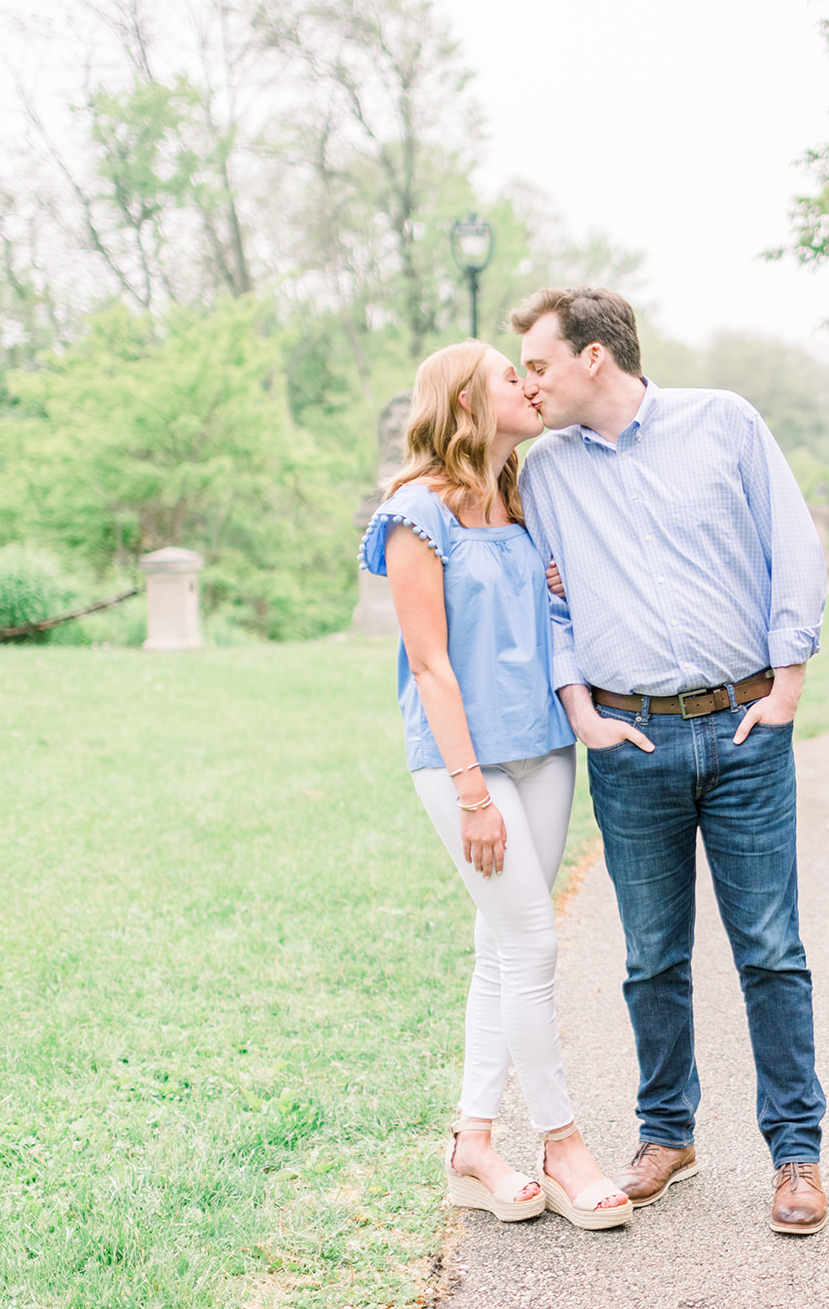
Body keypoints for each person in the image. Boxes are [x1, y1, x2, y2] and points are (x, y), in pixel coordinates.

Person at [513, 286, 829, 1235]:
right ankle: (666, 1133)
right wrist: (581, 709)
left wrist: (787, 685)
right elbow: (553, 608)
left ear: (595, 357)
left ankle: (799, 1156)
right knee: (652, 956)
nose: (531, 385)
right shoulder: (545, 472)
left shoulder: (723, 423)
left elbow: (793, 544)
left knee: (771, 951)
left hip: (743, 729)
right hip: (630, 739)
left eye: (540, 364)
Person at [358, 340, 632, 1231]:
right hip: (462, 763)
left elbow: (550, 613)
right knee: (534, 943)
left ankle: (471, 1143)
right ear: (468, 403)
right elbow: (432, 667)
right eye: (510, 377)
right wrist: (473, 794)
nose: (529, 384)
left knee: (500, 947)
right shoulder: (414, 514)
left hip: (546, 749)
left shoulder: (520, 497)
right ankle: (562, 1144)